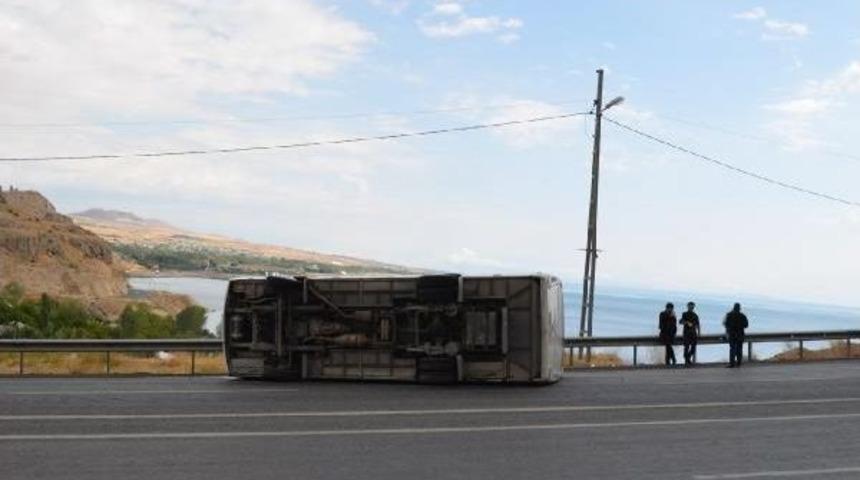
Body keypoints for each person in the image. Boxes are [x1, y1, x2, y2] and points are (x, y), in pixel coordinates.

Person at [723, 303, 749, 368]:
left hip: (732, 334)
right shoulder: (743, 316)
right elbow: (746, 325)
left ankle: (732, 364)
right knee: (739, 349)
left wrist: (728, 331)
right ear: (739, 308)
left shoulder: (729, 315)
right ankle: (739, 363)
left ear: (733, 307)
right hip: (740, 334)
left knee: (732, 349)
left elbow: (725, 324)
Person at [679, 301, 700, 366]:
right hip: (686, 333)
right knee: (686, 347)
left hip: (693, 333)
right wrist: (687, 322)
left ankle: (687, 358)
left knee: (693, 348)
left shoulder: (695, 315)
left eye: (692, 306)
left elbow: (698, 325)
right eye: (690, 306)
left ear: (694, 307)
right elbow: (680, 322)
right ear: (687, 306)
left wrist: (699, 332)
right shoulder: (684, 314)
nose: (691, 307)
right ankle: (687, 361)